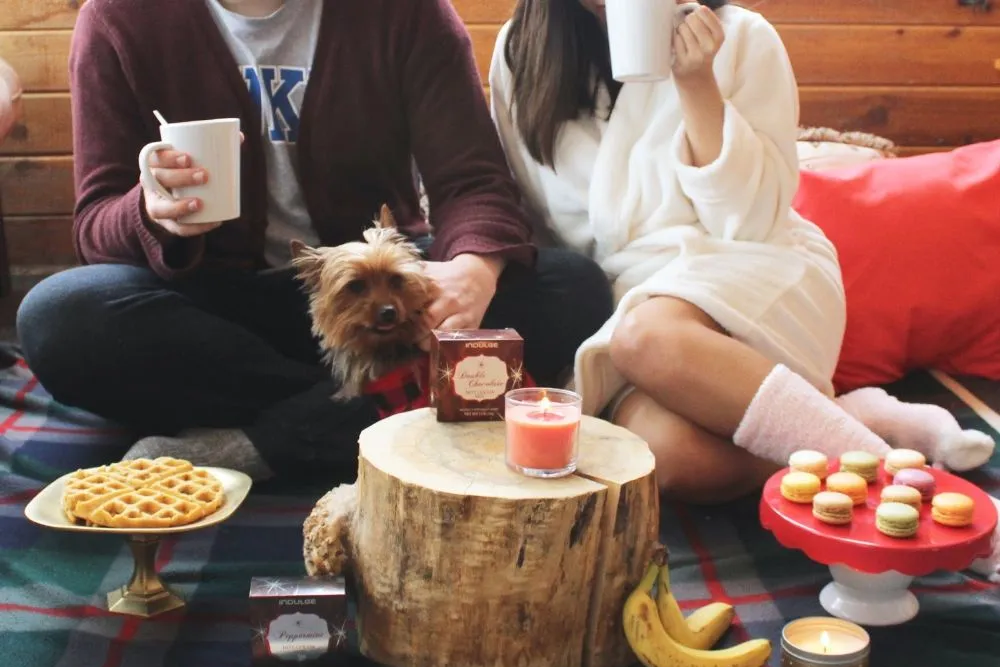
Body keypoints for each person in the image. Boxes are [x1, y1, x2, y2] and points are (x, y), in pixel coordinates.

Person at [15, 0, 613, 486]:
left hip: (381, 300)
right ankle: (384, 414)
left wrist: (474, 268)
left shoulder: (408, 13)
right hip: (220, 317)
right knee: (60, 317)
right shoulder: (122, 17)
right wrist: (151, 213)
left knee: (574, 288)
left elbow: (472, 182)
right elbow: (95, 222)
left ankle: (257, 443)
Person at [489, 0, 995, 503]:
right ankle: (844, 419)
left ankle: (910, 495)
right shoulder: (522, 54)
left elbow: (752, 220)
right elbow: (538, 226)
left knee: (648, 336)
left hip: (751, 267)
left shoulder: (741, 36)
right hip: (627, 297)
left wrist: (696, 85)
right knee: (669, 458)